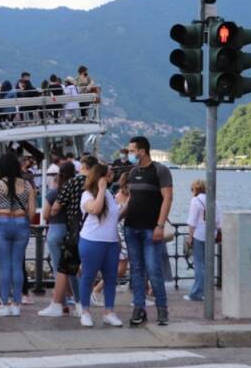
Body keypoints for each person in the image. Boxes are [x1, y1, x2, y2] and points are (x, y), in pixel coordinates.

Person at [124, 136, 172, 327]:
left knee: (153, 270)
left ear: (141, 151)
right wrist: (116, 218)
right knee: (136, 270)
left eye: (131, 151)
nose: (130, 154)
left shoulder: (160, 170)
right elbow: (130, 201)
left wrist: (160, 226)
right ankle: (139, 309)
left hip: (151, 229)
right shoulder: (133, 172)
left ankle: (162, 309)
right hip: (131, 227)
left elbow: (168, 198)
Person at [0, 153, 35, 317]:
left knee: (4, 266)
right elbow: (32, 213)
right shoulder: (27, 186)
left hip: (2, 223)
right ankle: (16, 304)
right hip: (21, 224)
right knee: (17, 265)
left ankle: (4, 304)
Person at [78, 163, 124, 328]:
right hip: (92, 241)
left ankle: (109, 312)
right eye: (109, 173)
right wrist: (101, 189)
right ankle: (85, 312)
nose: (112, 175)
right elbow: (96, 210)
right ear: (100, 176)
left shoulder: (110, 195)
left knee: (111, 278)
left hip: (110, 243)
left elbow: (113, 218)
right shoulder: (87, 195)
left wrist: (117, 239)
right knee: (88, 276)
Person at [40, 159, 88, 317]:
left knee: (58, 270)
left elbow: (46, 214)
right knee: (72, 270)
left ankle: (62, 304)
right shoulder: (78, 190)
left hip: (55, 231)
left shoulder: (54, 192)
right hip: (72, 231)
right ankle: (79, 302)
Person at [184, 179, 219, 302]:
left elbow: (192, 221)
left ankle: (196, 293)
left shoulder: (195, 200)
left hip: (199, 235)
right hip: (211, 235)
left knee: (199, 264)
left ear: (195, 189)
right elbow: (219, 220)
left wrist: (189, 237)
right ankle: (207, 291)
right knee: (208, 264)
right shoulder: (213, 200)